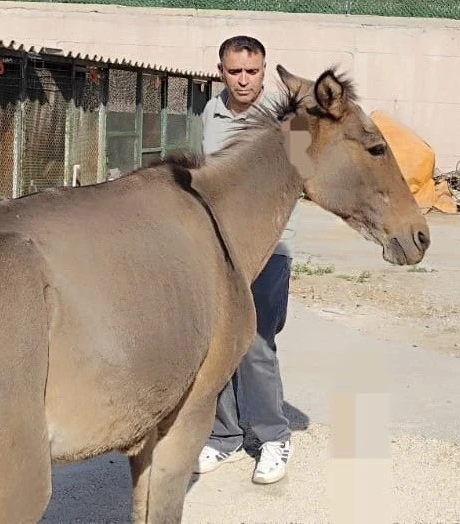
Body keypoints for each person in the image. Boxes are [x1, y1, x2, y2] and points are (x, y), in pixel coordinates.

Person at [194, 34, 299, 485]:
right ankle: (225, 437)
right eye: (233, 71)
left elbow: (300, 183)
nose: (242, 80)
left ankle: (274, 436)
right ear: (221, 70)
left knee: (256, 344)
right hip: (220, 250)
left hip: (269, 249)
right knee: (219, 343)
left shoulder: (288, 119)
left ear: (263, 69)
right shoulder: (210, 112)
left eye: (251, 71)